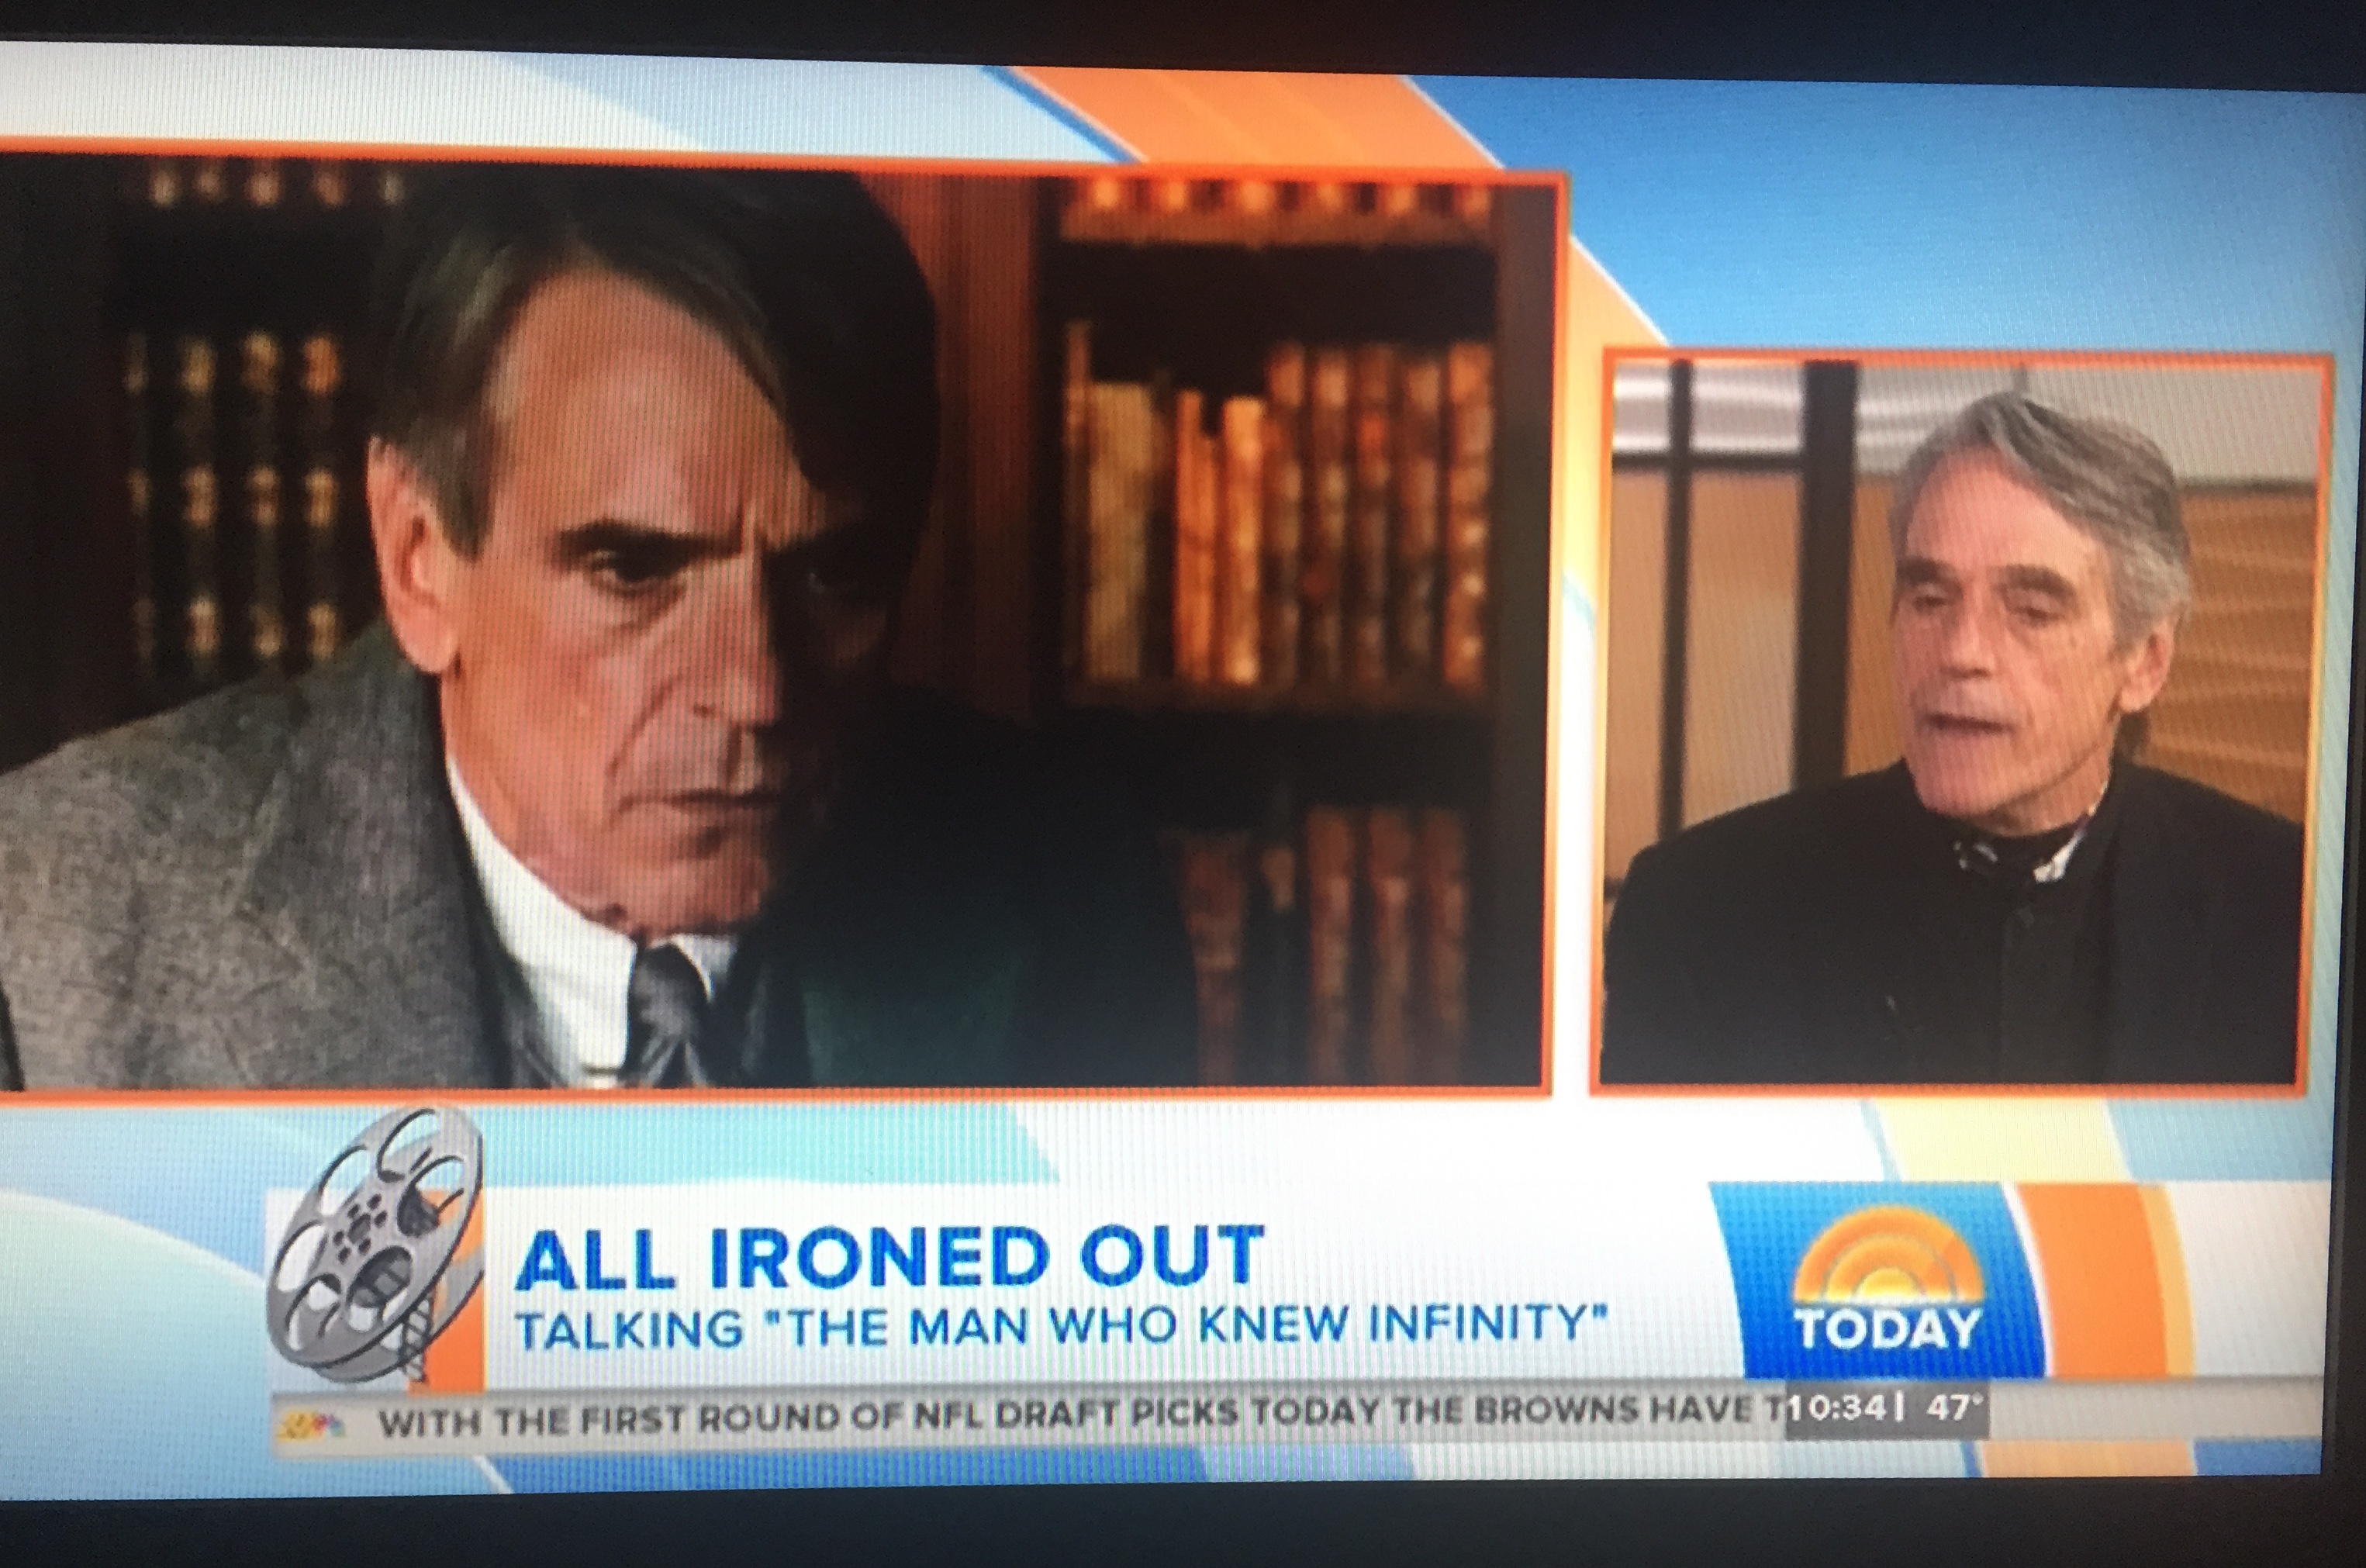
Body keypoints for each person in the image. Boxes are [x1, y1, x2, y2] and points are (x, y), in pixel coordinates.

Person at [0, 164, 1197, 1091]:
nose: (756, 690)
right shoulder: (59, 924)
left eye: (833, 572)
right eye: (633, 569)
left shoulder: (1073, 894)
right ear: (419, 560)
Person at [1600, 391, 2303, 1086]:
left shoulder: (2289, 909)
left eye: (2030, 611)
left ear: (2145, 662)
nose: (1960, 651)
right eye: (1929, 599)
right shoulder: (1703, 913)